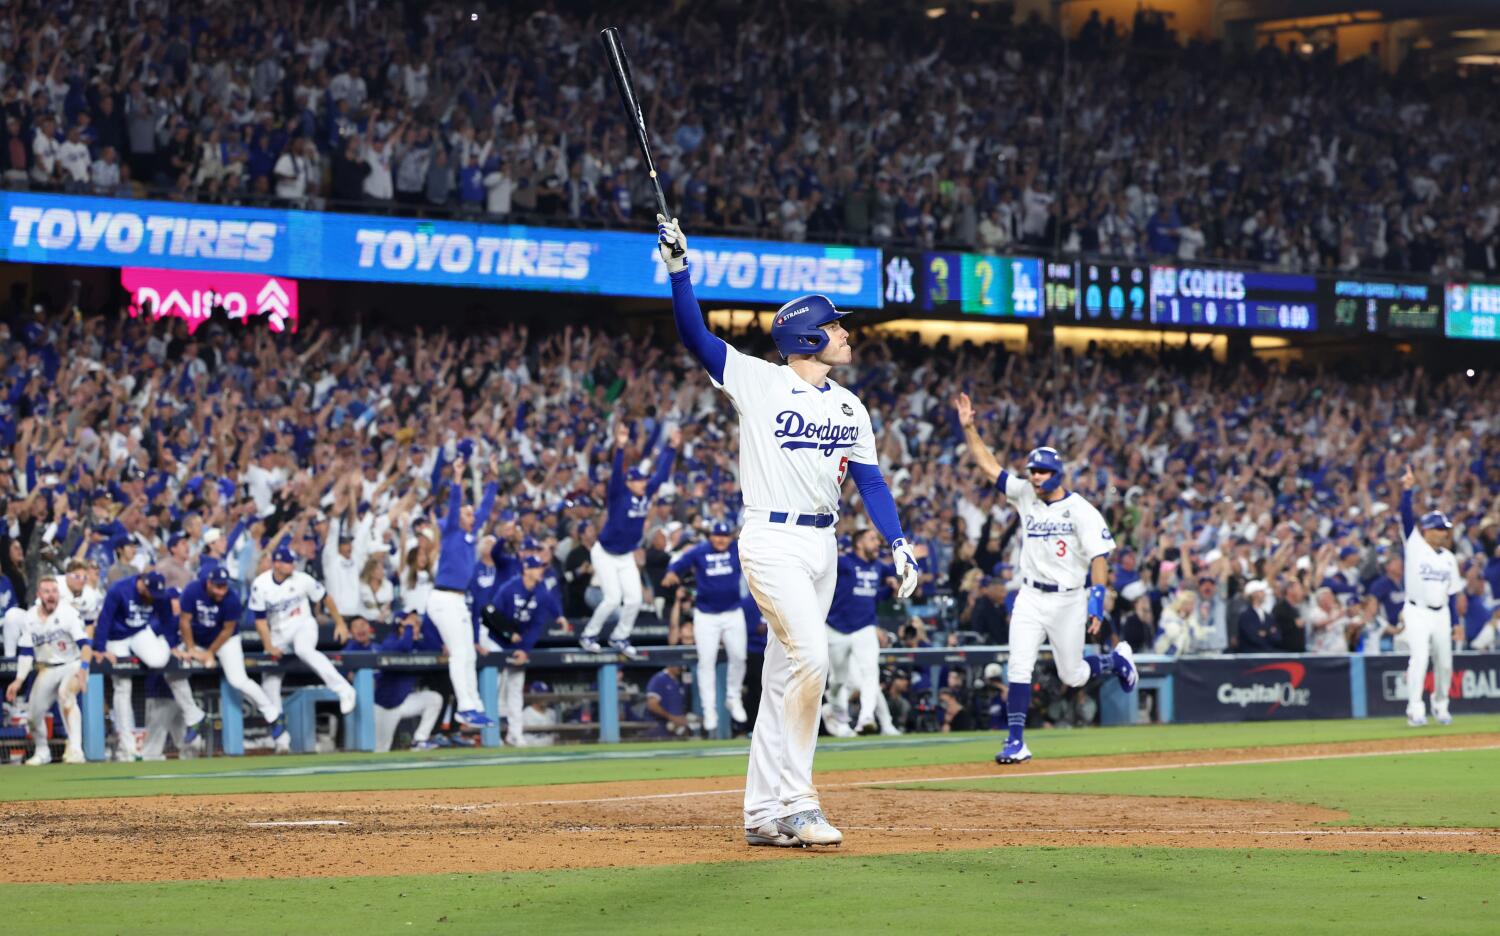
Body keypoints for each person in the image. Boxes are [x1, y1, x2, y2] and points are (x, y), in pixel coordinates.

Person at [660, 215, 919, 849]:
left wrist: (897, 540)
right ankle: (799, 803)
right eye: (834, 326)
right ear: (807, 335)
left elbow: (872, 484)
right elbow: (696, 336)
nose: (845, 333)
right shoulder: (761, 379)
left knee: (784, 676)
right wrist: (678, 271)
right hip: (771, 540)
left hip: (821, 546)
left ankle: (760, 815)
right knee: (812, 657)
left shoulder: (849, 404)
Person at [953, 393, 1136, 765]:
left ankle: (1115, 662)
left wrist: (1097, 601)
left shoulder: (1081, 510)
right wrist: (970, 428)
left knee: (1072, 675)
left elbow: (1100, 557)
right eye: (1033, 471)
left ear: (1058, 474)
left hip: (1069, 599)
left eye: (1043, 472)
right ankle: (1016, 740)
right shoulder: (1025, 495)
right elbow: (990, 468)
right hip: (1030, 596)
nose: (1035, 477)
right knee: (1019, 664)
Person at [578, 423, 679, 659]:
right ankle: (588, 635)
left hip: (625, 555)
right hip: (604, 553)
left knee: (634, 599)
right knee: (613, 599)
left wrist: (672, 447)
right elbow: (615, 474)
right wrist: (620, 447)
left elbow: (662, 474)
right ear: (629, 482)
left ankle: (619, 636)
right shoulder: (618, 493)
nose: (644, 483)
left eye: (644, 480)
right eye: (639, 481)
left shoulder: (646, 492)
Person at [95, 571, 208, 760]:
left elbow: (166, 621)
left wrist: (172, 647)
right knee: (123, 686)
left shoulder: (158, 594)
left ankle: (193, 715)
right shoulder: (119, 589)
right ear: (142, 584)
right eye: (151, 592)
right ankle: (127, 748)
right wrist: (100, 648)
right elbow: (105, 619)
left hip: (139, 632)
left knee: (159, 660)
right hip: (116, 637)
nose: (154, 598)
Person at [426, 447, 499, 729]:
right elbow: (455, 503)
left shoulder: (468, 534)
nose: (472, 515)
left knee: (468, 653)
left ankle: (474, 705)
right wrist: (457, 477)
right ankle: (465, 707)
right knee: (459, 653)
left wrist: (492, 479)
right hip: (443, 597)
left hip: (458, 600)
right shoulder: (452, 530)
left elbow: (487, 506)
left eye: (471, 513)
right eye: (467, 512)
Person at [178, 566, 286, 746]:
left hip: (225, 640)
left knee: (238, 680)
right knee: (174, 673)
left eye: (224, 587)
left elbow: (227, 630)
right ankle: (193, 716)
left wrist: (210, 653)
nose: (222, 591)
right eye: (218, 587)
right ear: (209, 583)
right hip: (197, 639)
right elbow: (184, 621)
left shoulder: (232, 599)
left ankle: (273, 715)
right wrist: (190, 649)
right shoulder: (192, 590)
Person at [249, 546, 359, 718]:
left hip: (303, 625)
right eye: (287, 562)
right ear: (276, 564)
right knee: (269, 682)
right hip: (278, 634)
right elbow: (260, 621)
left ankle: (344, 690)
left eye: (292, 561)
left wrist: (340, 623)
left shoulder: (302, 579)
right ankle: (280, 735)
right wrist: (269, 646)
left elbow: (325, 597)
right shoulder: (260, 584)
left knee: (304, 650)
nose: (292, 565)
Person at [661, 520, 748, 734]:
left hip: (732, 611)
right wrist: (672, 572)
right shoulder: (700, 551)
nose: (721, 539)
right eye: (717, 535)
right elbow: (678, 564)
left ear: (730, 537)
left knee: (739, 656)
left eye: (725, 536)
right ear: (710, 536)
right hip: (706, 615)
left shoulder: (738, 549)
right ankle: (709, 710)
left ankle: (733, 697)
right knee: (706, 661)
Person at [1398, 466, 1464, 727]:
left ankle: (1441, 706)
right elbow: (1405, 517)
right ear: (1427, 530)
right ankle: (1415, 709)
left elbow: (1454, 592)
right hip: (1417, 610)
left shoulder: (1449, 558)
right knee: (1420, 657)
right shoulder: (1415, 545)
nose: (1444, 533)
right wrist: (1407, 490)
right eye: (1439, 529)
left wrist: (1457, 623)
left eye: (1445, 529)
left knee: (1445, 662)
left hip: (1442, 613)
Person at [4, 577, 89, 765]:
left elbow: (85, 645)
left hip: (72, 664)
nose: (51, 595)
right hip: (47, 668)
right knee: (33, 715)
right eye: (47, 591)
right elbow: (26, 652)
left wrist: (83, 668)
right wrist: (18, 680)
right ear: (39, 595)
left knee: (66, 696)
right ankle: (42, 751)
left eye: (54, 591)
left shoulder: (68, 613)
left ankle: (76, 749)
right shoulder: (31, 617)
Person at [480, 556, 565, 747]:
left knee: (516, 688)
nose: (540, 571)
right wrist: (508, 634)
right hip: (496, 641)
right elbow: (491, 614)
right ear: (526, 570)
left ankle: (514, 734)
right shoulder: (509, 588)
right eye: (536, 568)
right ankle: (488, 734)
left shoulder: (541, 593)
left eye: (541, 567)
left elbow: (536, 626)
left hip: (517, 645)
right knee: (495, 685)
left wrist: (524, 650)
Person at [823, 528, 900, 736]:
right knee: (838, 680)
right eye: (872, 539)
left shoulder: (877, 566)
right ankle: (837, 713)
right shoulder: (845, 562)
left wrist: (893, 581)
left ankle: (866, 718)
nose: (877, 543)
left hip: (865, 627)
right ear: (858, 543)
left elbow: (880, 586)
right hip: (836, 628)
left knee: (870, 673)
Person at [365, 613, 444, 752]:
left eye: (416, 626)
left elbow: (435, 647)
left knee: (434, 699)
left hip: (405, 701)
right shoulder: (390, 642)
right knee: (381, 749)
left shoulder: (418, 645)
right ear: (400, 627)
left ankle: (419, 740)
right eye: (410, 626)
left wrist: (422, 627)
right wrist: (408, 627)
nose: (414, 629)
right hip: (385, 706)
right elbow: (404, 647)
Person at [644, 663, 692, 738]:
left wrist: (681, 718)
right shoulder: (659, 678)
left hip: (676, 728)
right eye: (678, 665)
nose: (680, 668)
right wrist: (672, 718)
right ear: (670, 664)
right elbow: (652, 705)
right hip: (659, 727)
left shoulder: (679, 680)